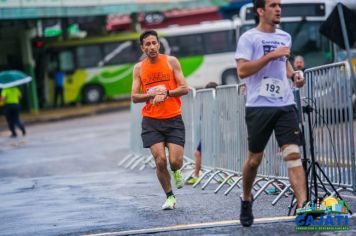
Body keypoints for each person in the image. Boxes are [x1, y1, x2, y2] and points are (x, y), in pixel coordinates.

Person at [235, 0, 307, 227]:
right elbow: (242, 70)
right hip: (258, 106)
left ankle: (303, 207)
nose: (278, 9)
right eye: (273, 5)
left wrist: (294, 74)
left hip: (284, 104)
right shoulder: (249, 38)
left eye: (279, 5)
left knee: (293, 154)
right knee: (255, 160)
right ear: (260, 10)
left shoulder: (285, 36)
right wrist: (270, 55)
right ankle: (246, 198)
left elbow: (284, 64)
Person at [131, 30, 189, 210]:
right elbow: (134, 96)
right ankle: (170, 196)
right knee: (160, 161)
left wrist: (166, 93)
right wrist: (150, 96)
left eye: (154, 43)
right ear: (142, 47)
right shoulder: (139, 68)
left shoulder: (171, 61)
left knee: (174, 161)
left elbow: (184, 88)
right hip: (151, 121)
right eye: (147, 44)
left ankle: (177, 170)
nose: (151, 47)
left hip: (173, 119)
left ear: (159, 44)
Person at [187, 81, 218, 185]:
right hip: (212, 132)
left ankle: (196, 175)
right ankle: (226, 175)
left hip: (210, 132)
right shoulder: (217, 101)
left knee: (198, 153)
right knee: (221, 153)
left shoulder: (210, 103)